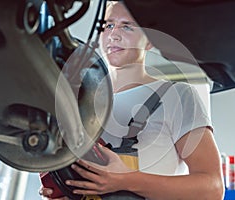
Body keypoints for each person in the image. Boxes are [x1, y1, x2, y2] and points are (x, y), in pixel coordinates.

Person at [40, 1, 224, 200]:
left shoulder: (176, 96)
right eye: (108, 25)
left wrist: (126, 180)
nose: (114, 35)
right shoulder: (81, 103)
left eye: (127, 26)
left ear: (150, 39)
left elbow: (212, 189)